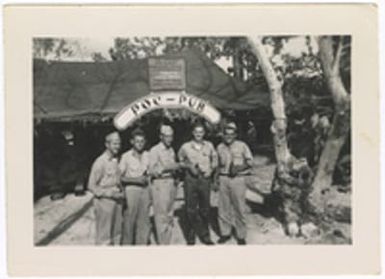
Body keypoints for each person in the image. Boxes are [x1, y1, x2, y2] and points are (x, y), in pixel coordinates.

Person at [178, 122, 218, 245]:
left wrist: (210, 171)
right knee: (190, 209)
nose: (198, 134)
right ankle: (191, 237)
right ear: (193, 133)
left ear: (204, 133)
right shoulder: (185, 147)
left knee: (205, 209)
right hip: (190, 180)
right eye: (196, 132)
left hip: (204, 179)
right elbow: (180, 161)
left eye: (201, 132)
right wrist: (189, 166)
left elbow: (215, 160)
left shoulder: (209, 146)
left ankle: (205, 236)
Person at [216, 122, 253, 245]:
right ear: (223, 135)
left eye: (231, 134)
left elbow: (250, 162)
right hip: (223, 178)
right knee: (223, 208)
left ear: (235, 135)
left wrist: (239, 167)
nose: (228, 137)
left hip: (238, 179)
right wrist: (215, 180)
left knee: (239, 208)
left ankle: (241, 235)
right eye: (226, 134)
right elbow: (216, 165)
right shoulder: (219, 147)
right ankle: (225, 233)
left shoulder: (242, 146)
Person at [88, 131, 124, 245]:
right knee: (104, 237)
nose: (117, 146)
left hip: (117, 201)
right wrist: (109, 194)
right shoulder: (100, 162)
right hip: (104, 203)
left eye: (118, 143)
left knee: (117, 234)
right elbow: (91, 185)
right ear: (107, 145)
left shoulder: (116, 160)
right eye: (114, 144)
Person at [148, 124, 181, 245]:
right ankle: (163, 243)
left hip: (171, 183)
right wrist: (170, 167)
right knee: (161, 215)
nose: (170, 139)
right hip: (160, 184)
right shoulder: (154, 150)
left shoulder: (171, 150)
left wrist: (176, 174)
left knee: (169, 213)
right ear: (161, 136)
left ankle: (168, 240)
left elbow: (174, 166)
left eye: (171, 136)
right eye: (167, 137)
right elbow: (151, 170)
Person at [119, 129, 151, 245]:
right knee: (129, 222)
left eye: (142, 141)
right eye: (137, 141)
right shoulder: (126, 156)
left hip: (145, 191)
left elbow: (151, 171)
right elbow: (120, 178)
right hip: (131, 191)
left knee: (144, 221)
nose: (140, 144)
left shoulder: (148, 155)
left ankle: (141, 249)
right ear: (132, 142)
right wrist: (136, 180)